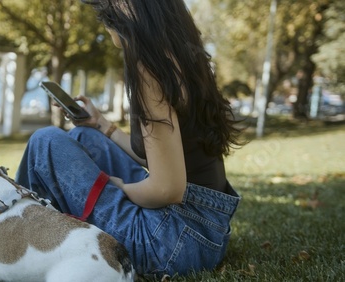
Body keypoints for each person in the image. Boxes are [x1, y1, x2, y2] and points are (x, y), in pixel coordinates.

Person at [15, 0, 243, 277]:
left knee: (45, 142)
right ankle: (52, 240)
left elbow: (166, 189)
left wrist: (116, 186)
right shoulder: (182, 60)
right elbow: (163, 160)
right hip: (206, 234)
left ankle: (16, 238)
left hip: (170, 244)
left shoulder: (149, 68)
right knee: (85, 136)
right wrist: (102, 125)